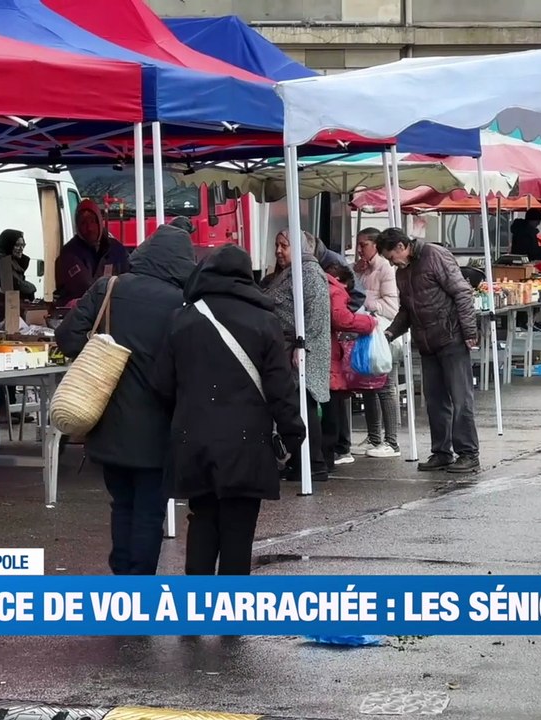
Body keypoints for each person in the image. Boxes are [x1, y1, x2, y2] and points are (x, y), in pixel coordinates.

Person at [150, 245, 306, 575]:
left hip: (194, 439)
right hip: (247, 442)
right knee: (238, 529)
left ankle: (196, 605)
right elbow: (281, 388)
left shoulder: (183, 318)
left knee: (202, 519)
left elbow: (161, 383)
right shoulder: (265, 321)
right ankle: (231, 611)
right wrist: (293, 434)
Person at [54, 225, 196, 575]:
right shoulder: (183, 305)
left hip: (109, 423)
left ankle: (122, 581)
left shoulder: (109, 287)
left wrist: (103, 352)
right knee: (149, 511)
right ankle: (139, 589)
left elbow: (67, 337)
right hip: (159, 428)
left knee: (122, 505)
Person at [377, 228, 480, 474]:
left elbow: (462, 293)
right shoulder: (404, 271)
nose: (392, 264)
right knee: (435, 401)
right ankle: (442, 452)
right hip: (427, 342)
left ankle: (468, 453)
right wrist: (390, 333)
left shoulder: (435, 255)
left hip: (451, 336)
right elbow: (406, 310)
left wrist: (469, 332)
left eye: (392, 257)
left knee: (460, 398)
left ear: (402, 246)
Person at [263, 230, 332, 483]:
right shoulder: (290, 272)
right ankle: (301, 460)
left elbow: (315, 314)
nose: (279, 250)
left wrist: (303, 347)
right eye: (277, 245)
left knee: (304, 405)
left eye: (285, 245)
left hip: (301, 348)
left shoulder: (310, 272)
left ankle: (313, 463)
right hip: (290, 347)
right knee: (295, 405)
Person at [323, 263, 378, 469]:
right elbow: (342, 319)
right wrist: (369, 323)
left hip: (324, 353)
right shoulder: (336, 290)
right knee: (334, 403)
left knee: (330, 404)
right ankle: (338, 449)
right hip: (330, 356)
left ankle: (336, 448)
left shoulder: (320, 284)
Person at [353, 227, 402, 458]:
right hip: (366, 331)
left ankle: (391, 441)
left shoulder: (385, 268)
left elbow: (393, 308)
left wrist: (370, 303)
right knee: (368, 386)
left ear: (375, 245)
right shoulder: (363, 269)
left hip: (384, 333)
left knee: (385, 385)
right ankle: (374, 437)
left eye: (363, 245)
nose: (359, 250)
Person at [54, 198, 130, 308]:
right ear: (77, 226)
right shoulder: (69, 253)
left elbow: (128, 280)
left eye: (92, 221)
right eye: (83, 223)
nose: (89, 228)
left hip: (113, 310)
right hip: (79, 313)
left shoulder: (116, 249)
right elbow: (83, 286)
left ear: (99, 222)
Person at [0, 229, 38, 301]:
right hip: (5, 305)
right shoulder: (1, 260)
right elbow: (15, 286)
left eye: (23, 245)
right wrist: (32, 287)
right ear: (9, 245)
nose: (21, 249)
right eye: (17, 245)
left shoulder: (4, 257)